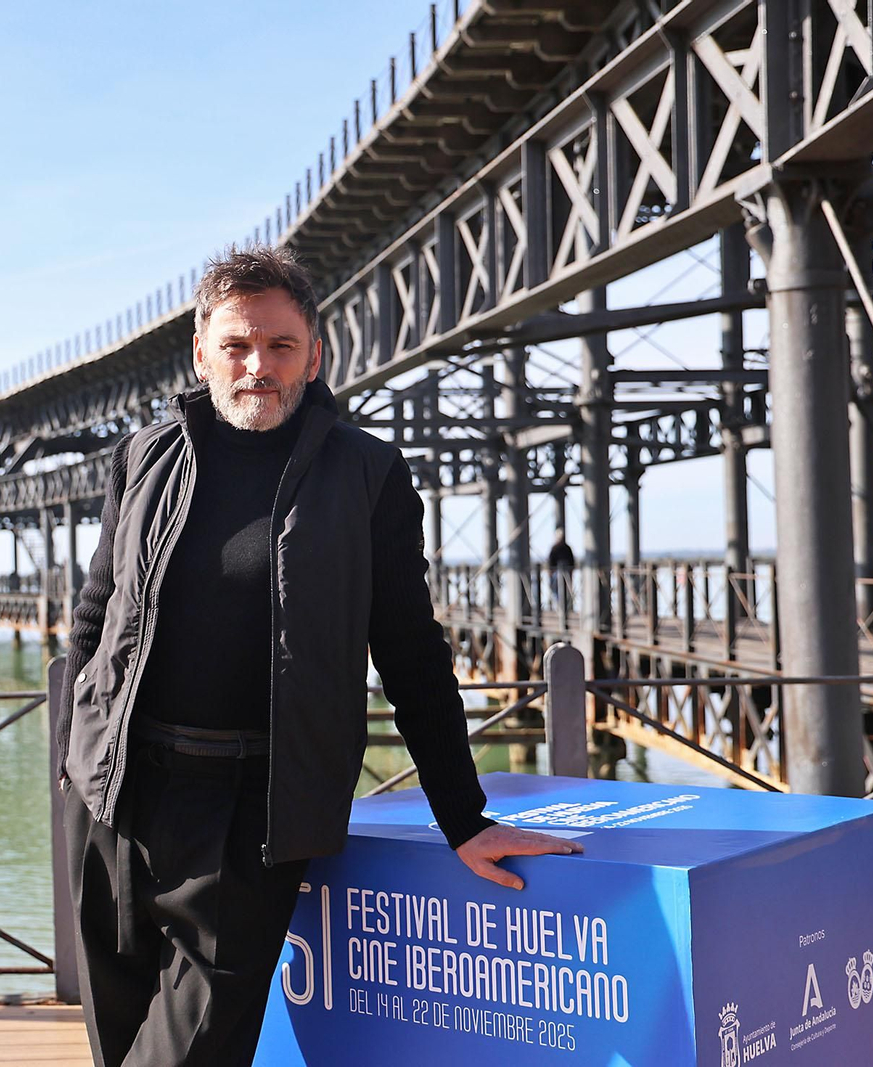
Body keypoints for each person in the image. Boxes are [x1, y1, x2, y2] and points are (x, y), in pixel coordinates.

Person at [56, 246, 583, 1066]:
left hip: (250, 812)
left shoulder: (367, 472)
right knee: (115, 1042)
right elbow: (95, 614)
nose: (257, 366)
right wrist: (69, 759)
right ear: (202, 352)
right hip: (117, 796)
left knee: (185, 1053)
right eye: (236, 345)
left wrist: (464, 815)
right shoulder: (145, 457)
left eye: (279, 346)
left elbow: (410, 650)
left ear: (315, 352)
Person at [547, 529, 576, 613]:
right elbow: (572, 562)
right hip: (562, 572)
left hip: (561, 573)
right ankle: (563, 607)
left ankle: (562, 608)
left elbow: (550, 563)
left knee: (558, 590)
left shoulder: (556, 548)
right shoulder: (566, 548)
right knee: (559, 590)